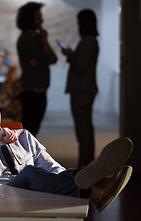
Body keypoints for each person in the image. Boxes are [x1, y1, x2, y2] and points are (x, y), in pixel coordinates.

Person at [0, 84, 133, 213]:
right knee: (29, 173)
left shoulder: (22, 136)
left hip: (36, 192)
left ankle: (90, 181)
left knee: (48, 172)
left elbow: (50, 166)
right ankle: (94, 191)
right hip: (3, 196)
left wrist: (72, 178)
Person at [59, 9, 99, 167]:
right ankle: (86, 163)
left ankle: (86, 164)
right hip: (84, 89)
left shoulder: (88, 41)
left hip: (82, 90)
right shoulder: (90, 41)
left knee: (83, 130)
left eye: (79, 22)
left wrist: (69, 55)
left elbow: (81, 65)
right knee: (85, 128)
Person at [16, 2, 57, 136]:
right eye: (39, 17)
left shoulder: (39, 37)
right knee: (29, 129)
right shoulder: (25, 39)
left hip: (41, 88)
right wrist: (44, 45)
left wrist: (44, 42)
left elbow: (52, 59)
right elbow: (44, 58)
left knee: (34, 128)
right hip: (31, 90)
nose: (42, 20)